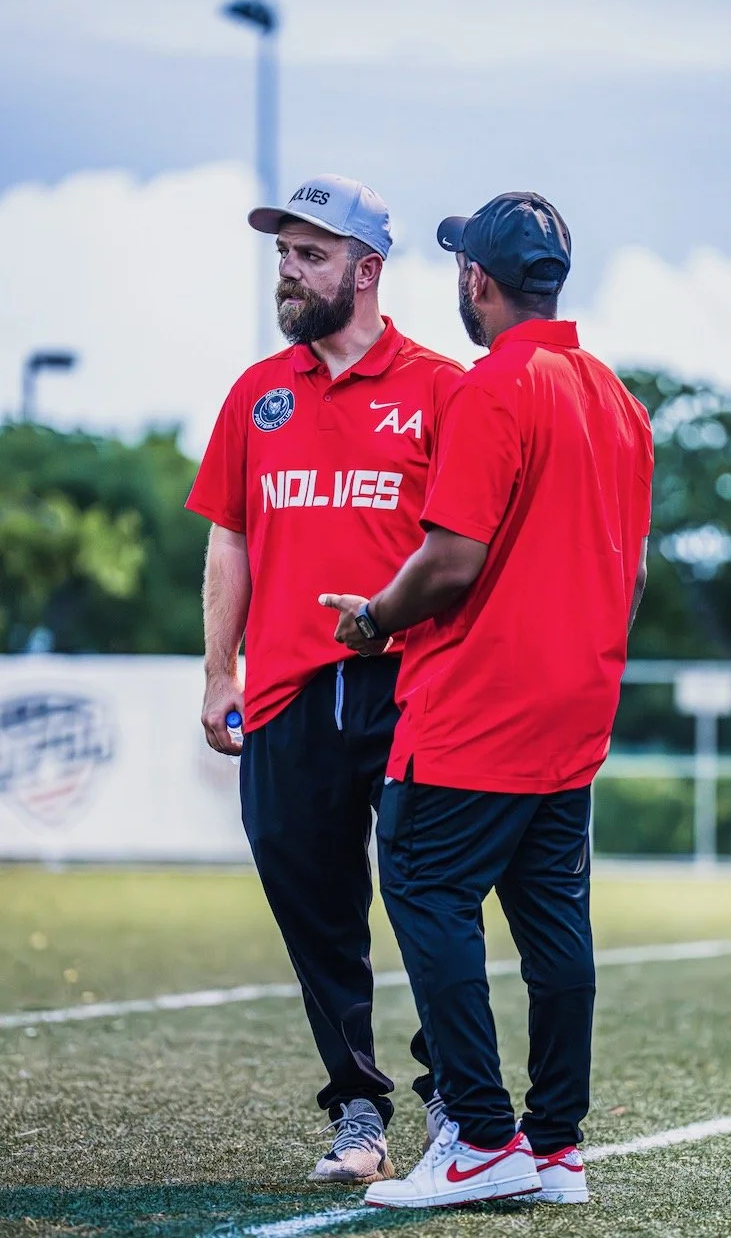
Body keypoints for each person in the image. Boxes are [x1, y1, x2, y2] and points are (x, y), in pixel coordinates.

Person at [321, 190, 654, 1209]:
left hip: (476, 707)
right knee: (554, 921)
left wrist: (374, 615)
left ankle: (480, 1137)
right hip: (574, 705)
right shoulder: (615, 398)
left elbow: (452, 559)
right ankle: (555, 1147)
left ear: (476, 280)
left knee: (423, 884)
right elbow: (631, 573)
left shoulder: (493, 388)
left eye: (461, 265)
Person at [185, 173, 464, 1185]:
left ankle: (458, 1108)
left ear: (367, 268)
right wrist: (221, 668)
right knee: (316, 906)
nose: (289, 273)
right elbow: (230, 538)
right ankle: (358, 1107)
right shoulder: (255, 394)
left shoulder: (442, 387)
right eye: (283, 256)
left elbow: (471, 545)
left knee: (428, 897)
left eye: (310, 254)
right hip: (287, 694)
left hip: (414, 683)